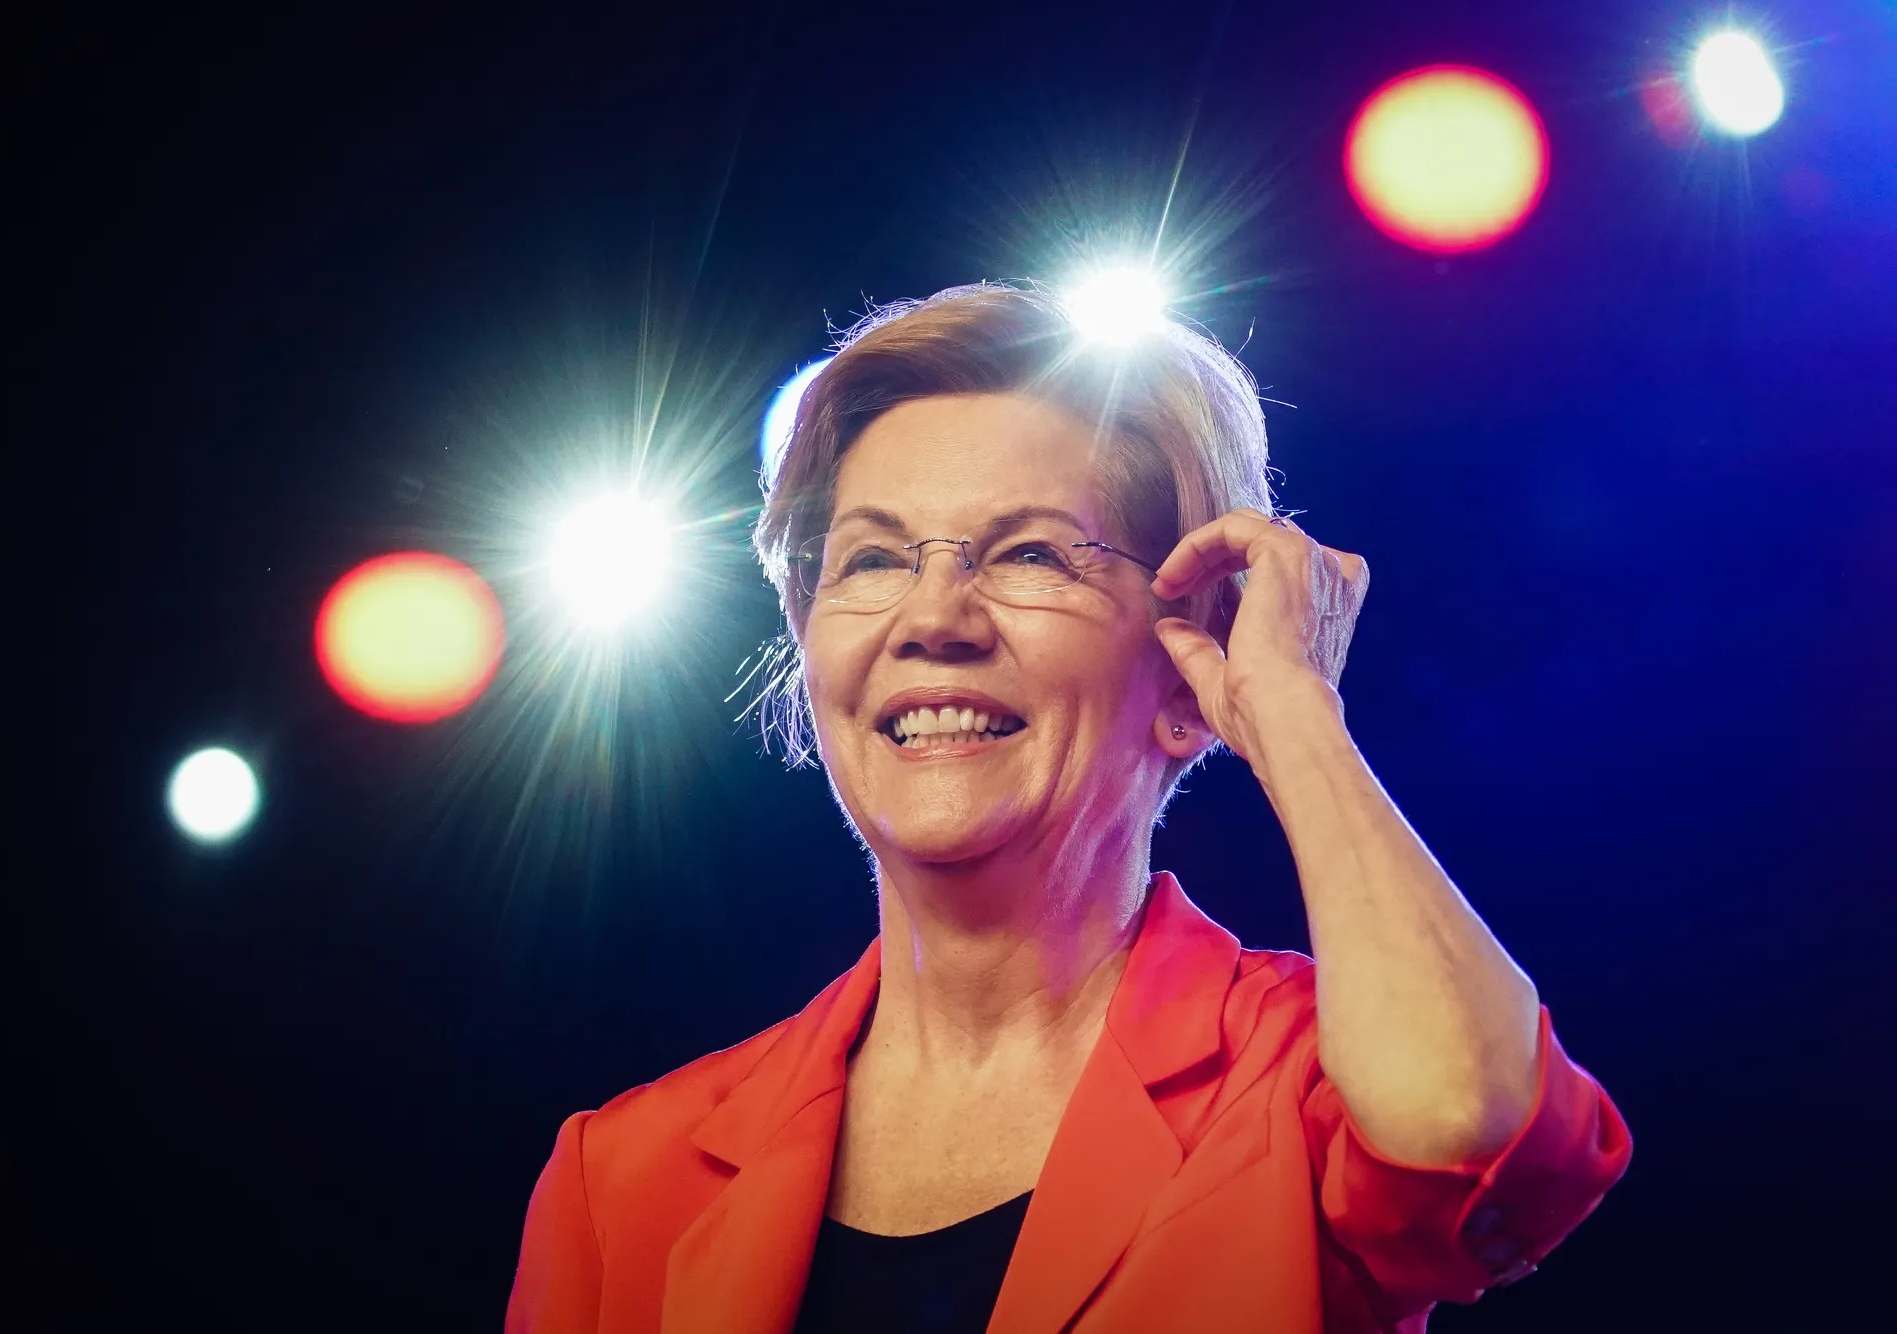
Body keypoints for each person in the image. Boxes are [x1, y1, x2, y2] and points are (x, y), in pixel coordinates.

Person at [506, 283, 1630, 1333]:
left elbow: (1472, 1127)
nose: (933, 615)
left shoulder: (1294, 1081)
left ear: (1189, 673)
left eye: (1032, 551)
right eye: (873, 558)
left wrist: (1290, 707)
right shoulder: (619, 1177)